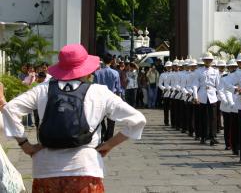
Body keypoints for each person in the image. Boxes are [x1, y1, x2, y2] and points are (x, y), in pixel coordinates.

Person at [2, 44, 146, 192]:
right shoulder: (99, 92)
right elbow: (138, 120)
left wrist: (25, 145)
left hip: (45, 169)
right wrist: (109, 144)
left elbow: (10, 109)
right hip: (86, 168)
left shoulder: (42, 89)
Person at [192, 52, 220, 146]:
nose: (208, 61)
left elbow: (218, 85)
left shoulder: (215, 71)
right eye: (206, 60)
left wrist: (219, 96)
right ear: (203, 61)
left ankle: (212, 137)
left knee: (213, 118)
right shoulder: (198, 71)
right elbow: (195, 85)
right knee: (203, 117)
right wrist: (195, 96)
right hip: (202, 95)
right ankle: (203, 137)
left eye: (209, 60)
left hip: (212, 96)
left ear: (212, 61)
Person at [94, 53, 122, 141]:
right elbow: (118, 88)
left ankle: (102, 132)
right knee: (111, 119)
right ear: (111, 61)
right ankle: (109, 137)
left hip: (100, 97)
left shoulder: (97, 73)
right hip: (111, 97)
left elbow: (94, 86)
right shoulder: (115, 73)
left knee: (100, 118)